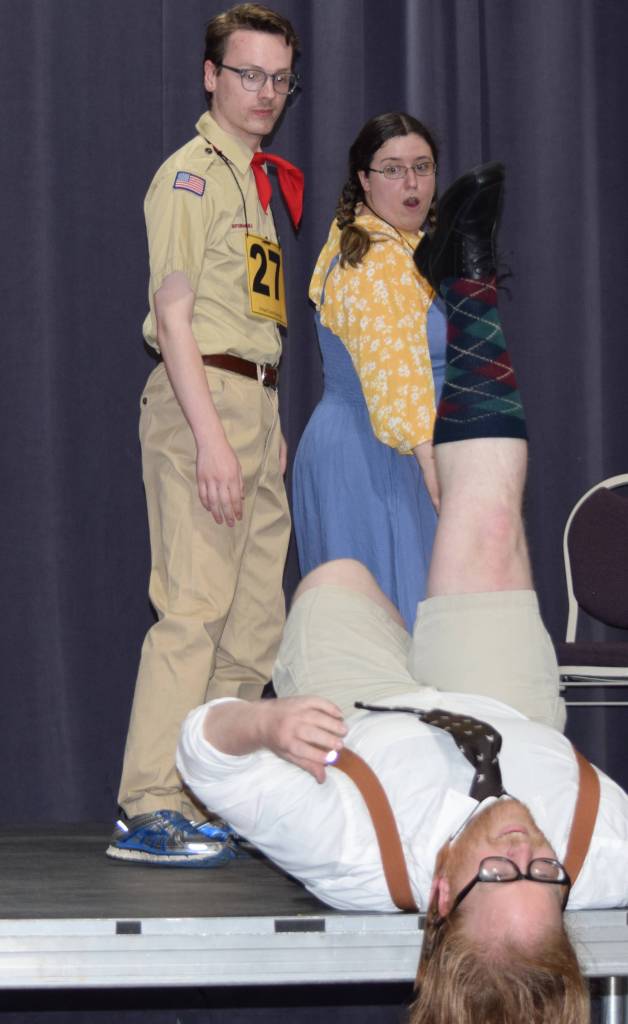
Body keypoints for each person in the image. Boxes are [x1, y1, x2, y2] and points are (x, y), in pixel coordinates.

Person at [177, 162, 628, 1020]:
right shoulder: (605, 854)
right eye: (547, 877)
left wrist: (267, 723)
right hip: (504, 705)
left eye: (500, 873)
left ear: (438, 895)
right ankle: (466, 281)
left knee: (338, 575)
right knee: (488, 513)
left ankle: (394, 627)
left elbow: (202, 749)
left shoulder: (348, 853)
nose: (526, 846)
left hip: (364, 706)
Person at [108, 4, 303, 866]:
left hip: (255, 401)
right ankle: (148, 802)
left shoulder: (255, 183)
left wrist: (263, 424)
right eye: (248, 74)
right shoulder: (191, 175)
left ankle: (207, 786)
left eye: (279, 79)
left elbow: (256, 312)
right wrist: (213, 438)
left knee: (255, 620)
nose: (264, 93)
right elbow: (174, 314)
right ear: (210, 75)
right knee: (192, 606)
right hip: (204, 404)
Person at [292, 113, 446, 629]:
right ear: (363, 178)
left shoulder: (392, 246)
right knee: (389, 631)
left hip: (384, 449)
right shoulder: (375, 257)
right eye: (393, 169)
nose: (411, 184)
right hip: (379, 454)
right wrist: (432, 469)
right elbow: (394, 373)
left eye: (422, 167)